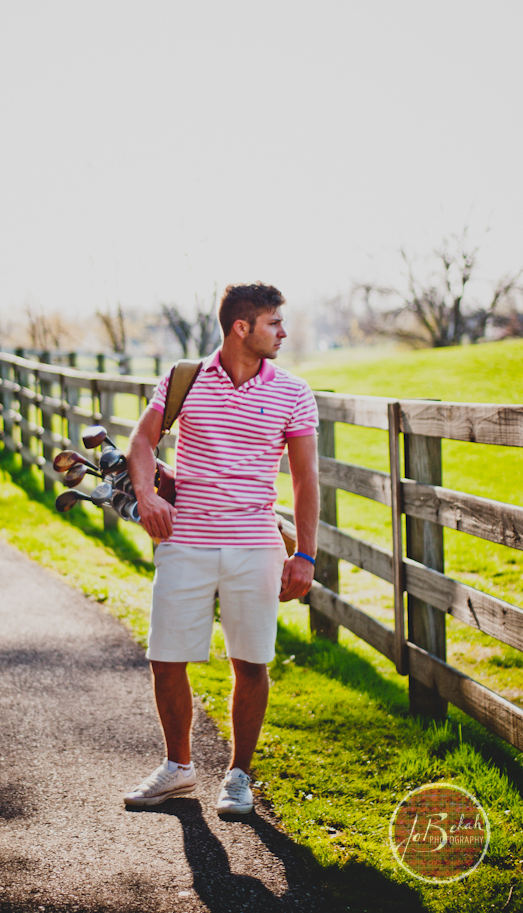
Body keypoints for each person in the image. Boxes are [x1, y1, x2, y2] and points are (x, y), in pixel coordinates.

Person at [124, 282, 319, 815]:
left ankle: (238, 777)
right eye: (274, 322)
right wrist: (146, 496)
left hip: (256, 545)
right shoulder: (184, 378)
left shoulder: (294, 392)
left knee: (251, 663)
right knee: (166, 659)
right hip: (184, 542)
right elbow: (142, 441)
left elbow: (305, 479)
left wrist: (304, 554)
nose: (283, 331)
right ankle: (178, 768)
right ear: (242, 327)